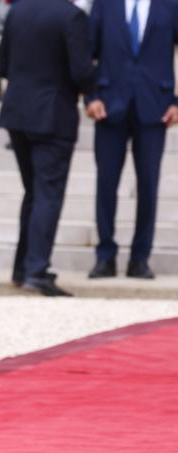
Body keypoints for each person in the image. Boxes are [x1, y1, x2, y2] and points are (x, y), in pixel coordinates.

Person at [0, 0, 95, 296]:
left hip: (17, 113)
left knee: (34, 193)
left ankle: (23, 268)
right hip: (53, 115)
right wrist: (95, 82)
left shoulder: (18, 10)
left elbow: (2, 65)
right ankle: (37, 271)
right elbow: (80, 72)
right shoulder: (71, 15)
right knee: (47, 195)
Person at [85, 0, 178, 280]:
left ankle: (140, 258)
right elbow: (87, 50)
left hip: (155, 107)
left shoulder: (170, 5)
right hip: (109, 106)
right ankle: (105, 256)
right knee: (106, 183)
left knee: (148, 184)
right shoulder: (104, 4)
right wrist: (90, 97)